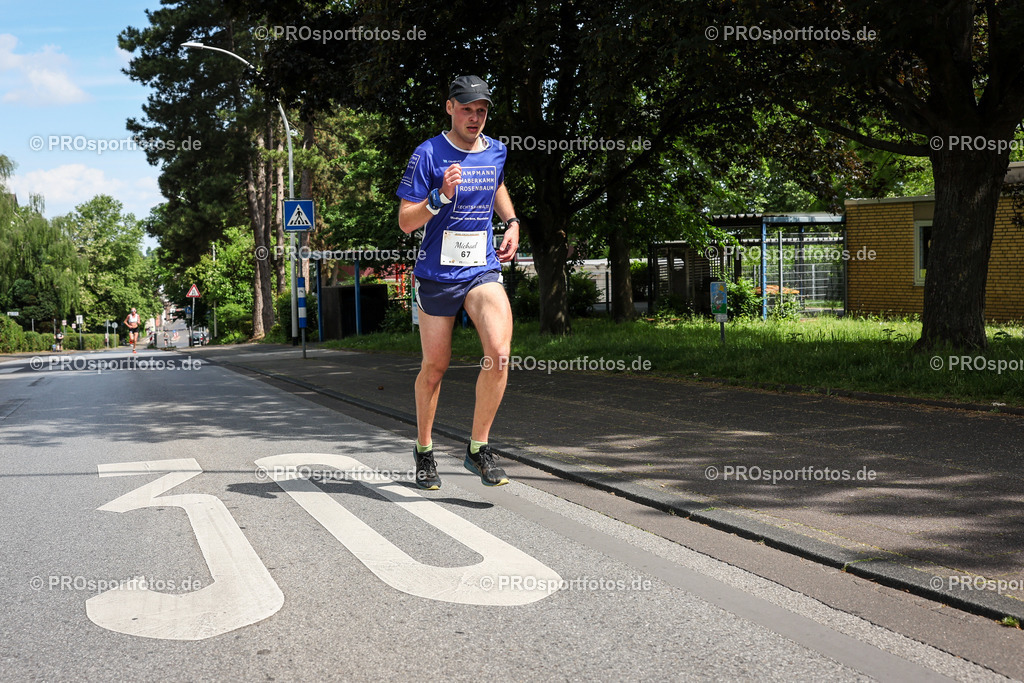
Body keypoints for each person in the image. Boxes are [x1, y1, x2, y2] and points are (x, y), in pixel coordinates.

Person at [396, 75, 521, 490]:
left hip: (481, 269)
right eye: (467, 109)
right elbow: (405, 221)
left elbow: (496, 184)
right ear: (450, 107)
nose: (475, 117)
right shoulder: (428, 154)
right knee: (435, 367)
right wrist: (439, 198)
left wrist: (512, 222)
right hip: (436, 274)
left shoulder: (496, 151)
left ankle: (477, 448)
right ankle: (424, 450)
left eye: (481, 110)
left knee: (500, 353)